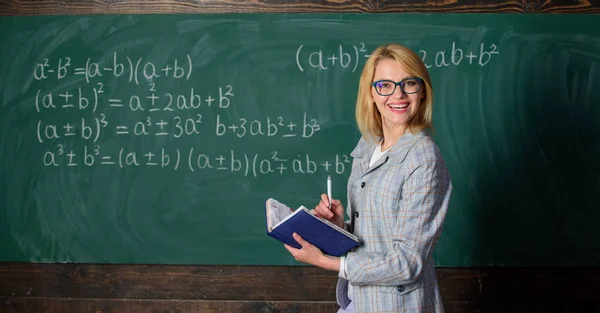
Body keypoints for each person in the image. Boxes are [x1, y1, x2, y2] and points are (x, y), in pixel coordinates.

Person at [284, 43, 452, 313]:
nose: (398, 95)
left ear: (422, 91)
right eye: (385, 85)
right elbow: (377, 233)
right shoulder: (368, 145)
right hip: (358, 301)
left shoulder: (423, 158)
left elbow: (407, 262)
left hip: (397, 306)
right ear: (371, 93)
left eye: (409, 83)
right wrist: (339, 226)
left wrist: (327, 261)